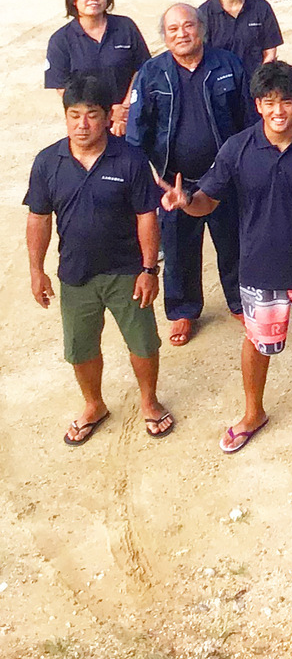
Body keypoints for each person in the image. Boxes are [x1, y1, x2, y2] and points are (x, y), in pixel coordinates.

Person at [159, 62, 292, 452]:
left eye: (287, 102)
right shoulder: (237, 148)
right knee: (257, 343)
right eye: (270, 102)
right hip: (259, 270)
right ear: (258, 105)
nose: (279, 111)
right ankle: (253, 412)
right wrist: (186, 201)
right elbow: (207, 200)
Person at [25, 75, 173, 445]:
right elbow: (39, 218)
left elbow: (146, 216)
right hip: (76, 274)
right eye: (74, 115)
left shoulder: (131, 159)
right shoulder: (47, 162)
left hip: (127, 272)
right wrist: (36, 271)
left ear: (108, 117)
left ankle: (149, 401)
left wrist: (149, 269)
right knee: (80, 348)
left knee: (143, 343)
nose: (82, 124)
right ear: (65, 117)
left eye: (92, 115)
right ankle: (94, 405)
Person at [126, 3, 255, 346]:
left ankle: (240, 302)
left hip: (224, 177)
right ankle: (183, 310)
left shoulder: (228, 65)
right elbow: (137, 132)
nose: (182, 34)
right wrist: (148, 177)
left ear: (201, 29)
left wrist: (245, 165)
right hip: (171, 180)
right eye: (173, 29)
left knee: (234, 242)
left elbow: (248, 120)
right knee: (178, 248)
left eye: (188, 26)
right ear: (165, 36)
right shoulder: (152, 73)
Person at [45, 0, 150, 136]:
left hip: (130, 119)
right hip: (88, 124)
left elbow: (142, 68)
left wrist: (125, 109)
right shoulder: (60, 40)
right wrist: (105, 114)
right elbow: (62, 87)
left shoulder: (125, 27)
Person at [198, 0, 283, 79]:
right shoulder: (204, 13)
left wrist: (260, 81)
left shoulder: (261, 8)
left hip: (255, 82)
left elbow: (270, 51)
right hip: (219, 84)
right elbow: (200, 55)